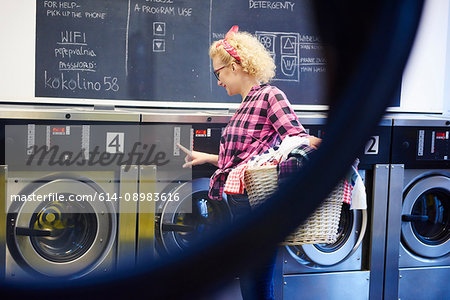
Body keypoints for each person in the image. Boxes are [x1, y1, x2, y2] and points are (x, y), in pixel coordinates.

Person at [178, 25, 321, 300]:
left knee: (255, 288)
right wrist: (208, 157)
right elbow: (250, 157)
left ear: (235, 66)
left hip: (258, 205)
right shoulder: (244, 104)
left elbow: (296, 140)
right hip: (238, 205)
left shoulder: (270, 96)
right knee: (250, 285)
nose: (218, 81)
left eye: (218, 73)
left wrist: (329, 147)